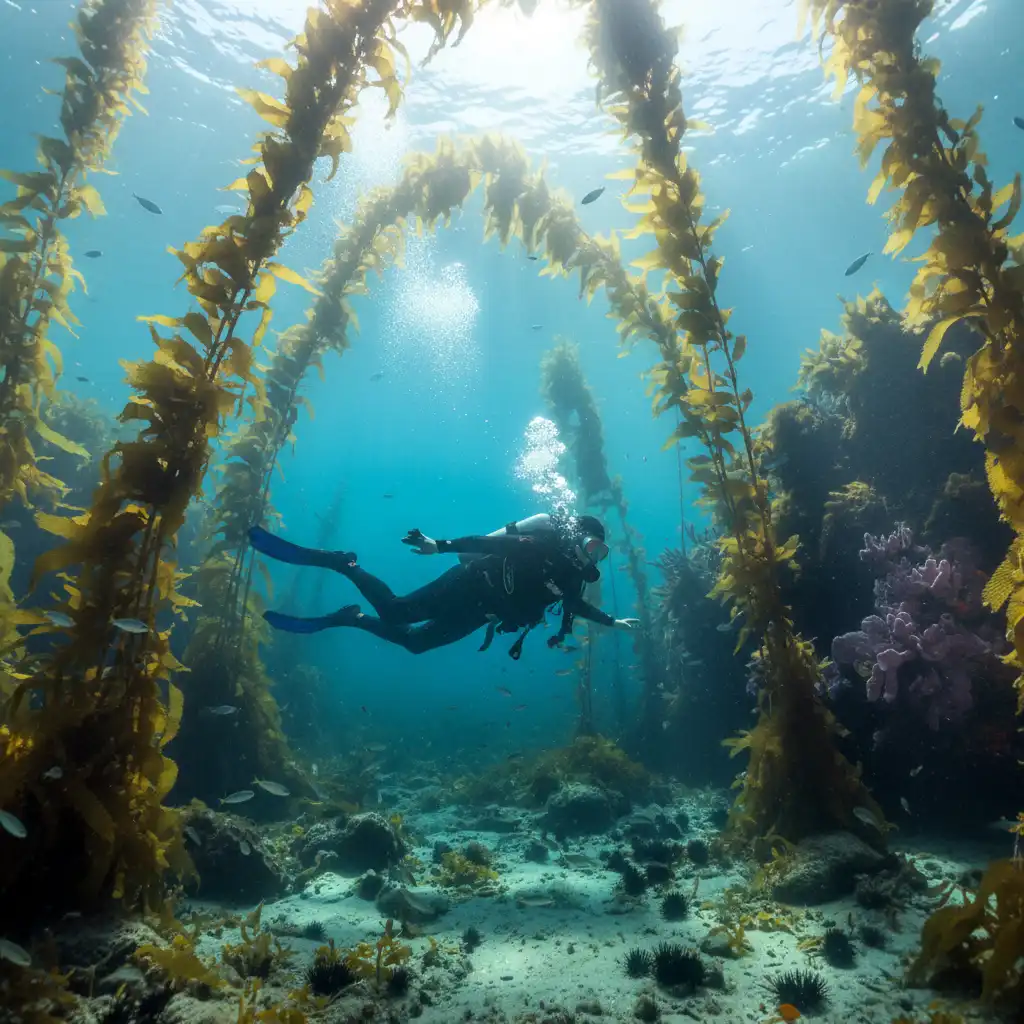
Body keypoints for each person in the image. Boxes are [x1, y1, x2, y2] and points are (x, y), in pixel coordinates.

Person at [248, 514, 640, 659]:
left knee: (416, 644)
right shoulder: (539, 548)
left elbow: (574, 605)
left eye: (601, 554)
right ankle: (344, 563)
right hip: (469, 585)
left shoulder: (572, 577)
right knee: (398, 611)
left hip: (480, 614)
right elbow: (488, 544)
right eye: (591, 547)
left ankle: (351, 618)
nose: (593, 558)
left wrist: (611, 621)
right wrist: (440, 547)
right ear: (576, 537)